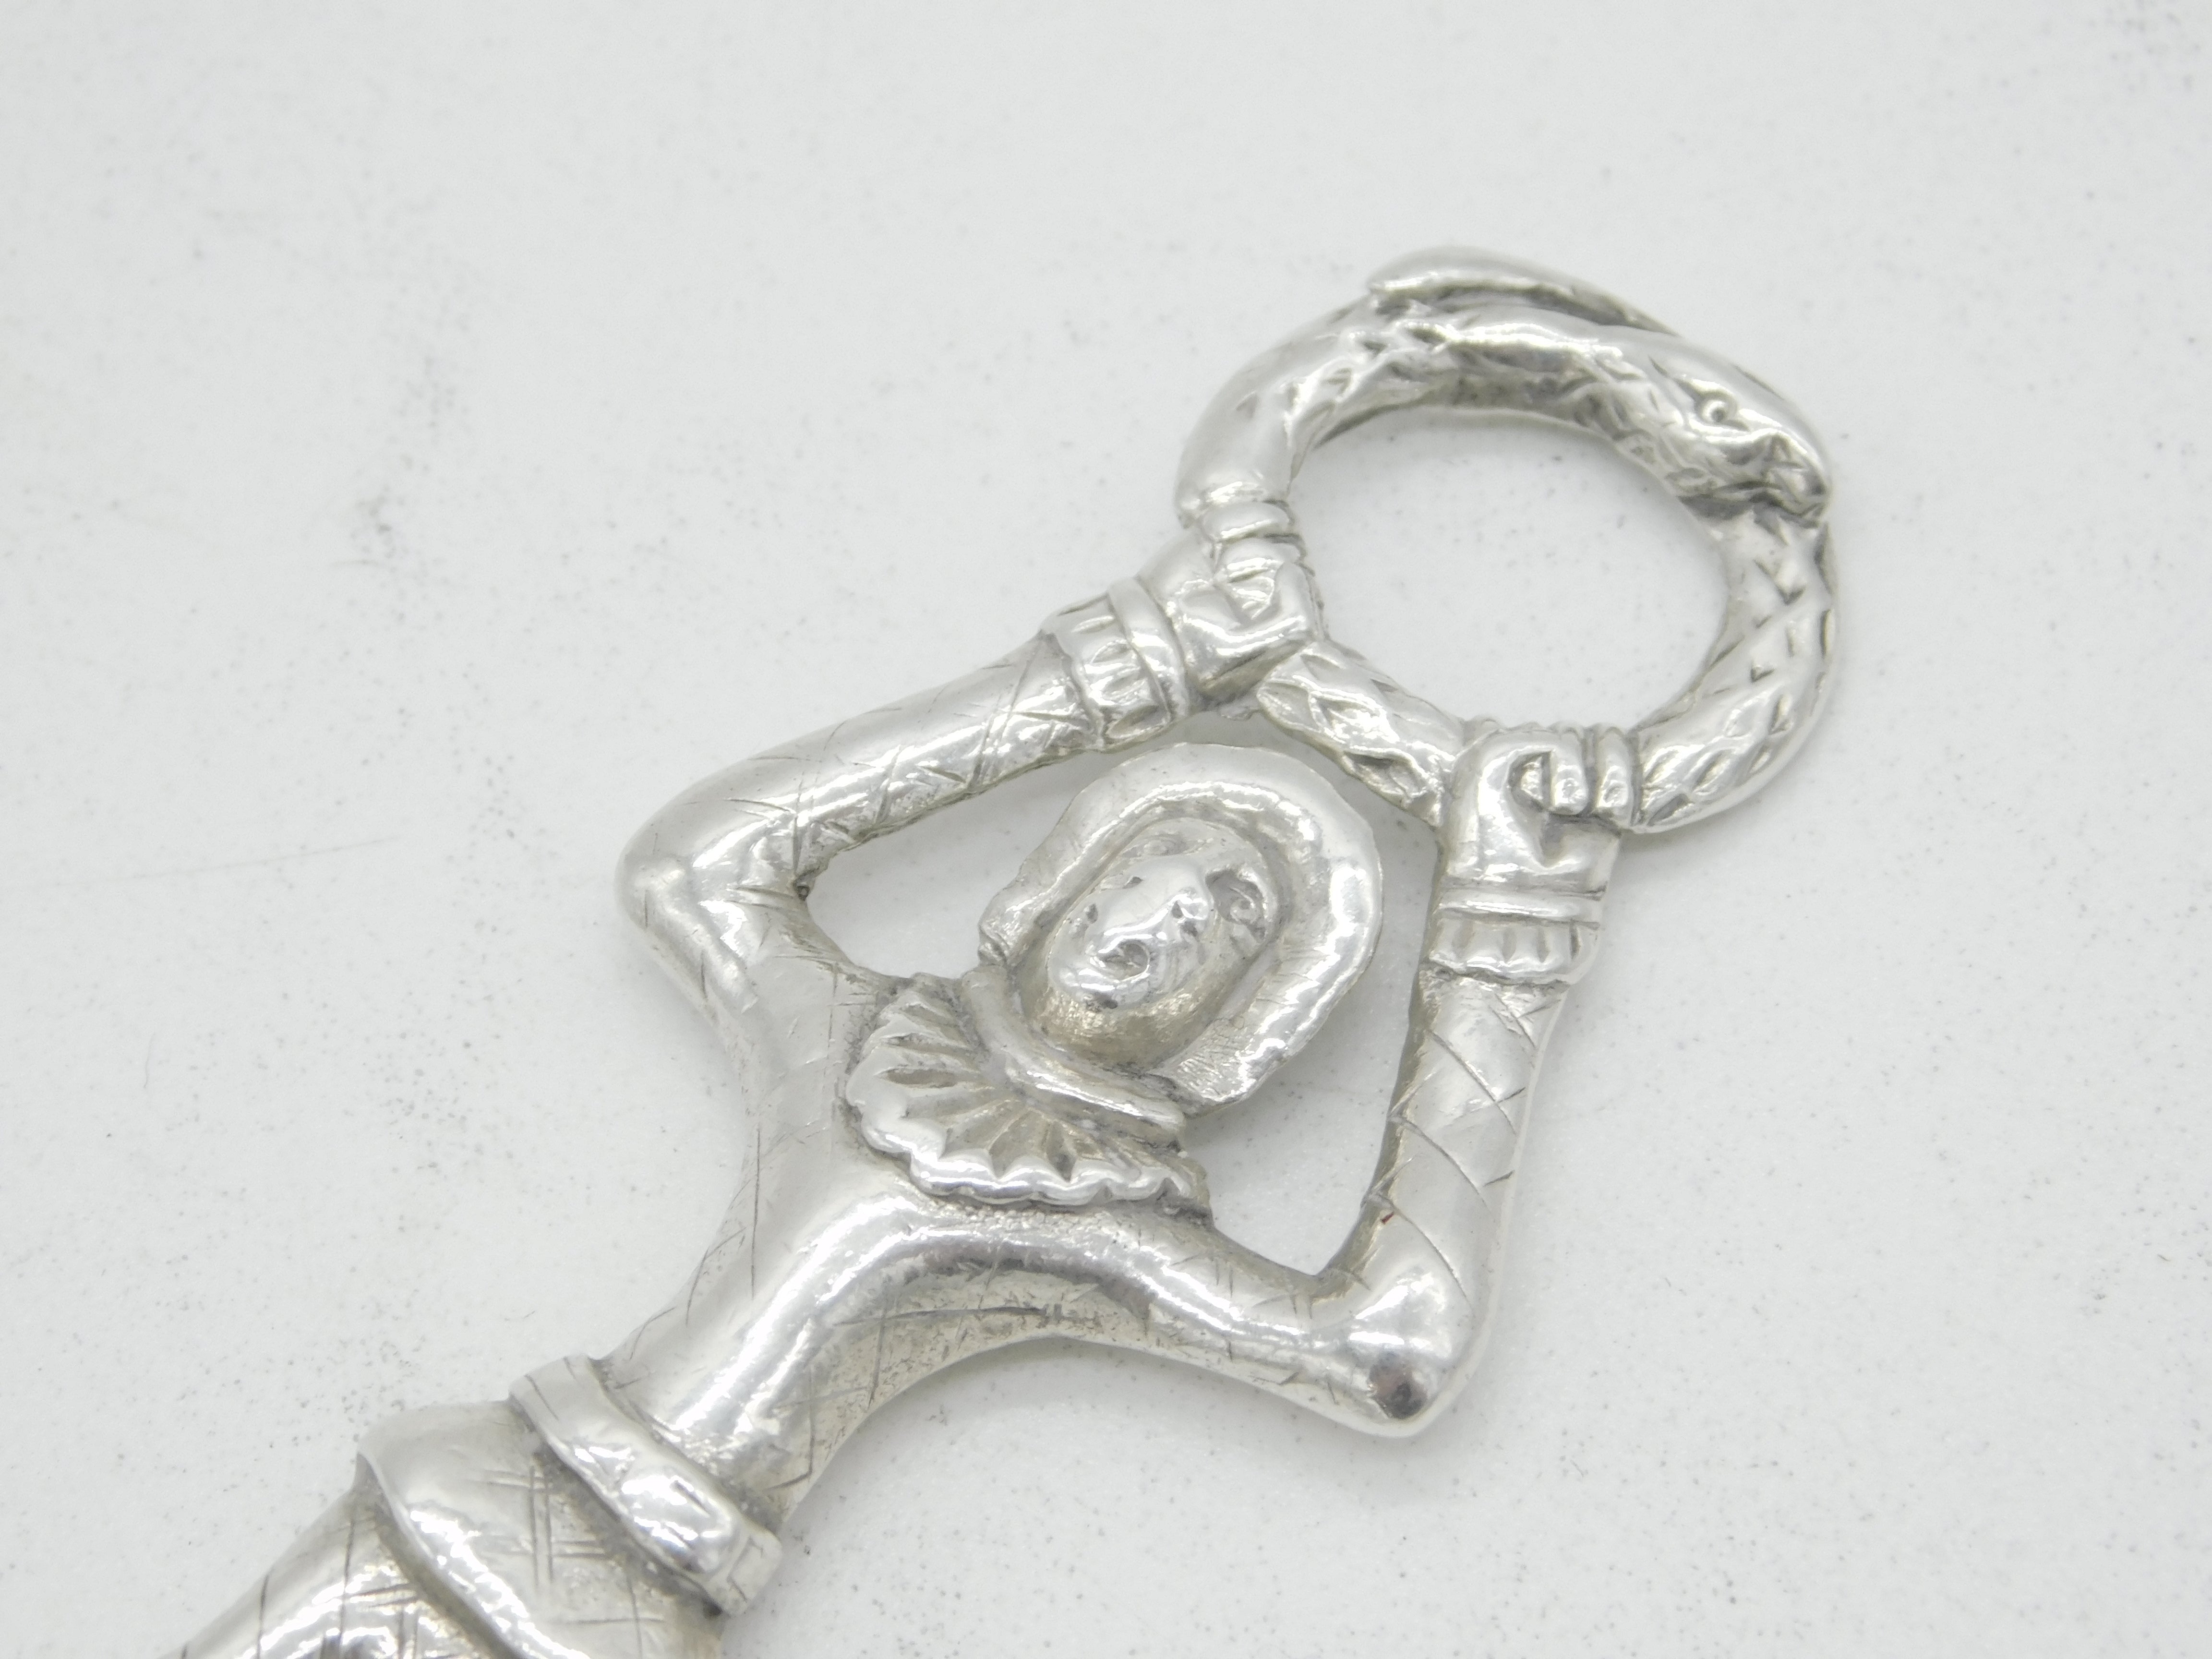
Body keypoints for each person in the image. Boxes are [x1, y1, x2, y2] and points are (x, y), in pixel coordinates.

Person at [173, 521, 1635, 1659]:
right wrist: (1120, 669)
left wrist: (1499, 953)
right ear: (1059, 881)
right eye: (1142, 873)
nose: (1150, 924)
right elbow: (692, 868)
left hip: (653, 1593)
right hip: (490, 1472)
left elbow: (1388, 1349)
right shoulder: (842, 1028)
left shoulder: (1106, 1226)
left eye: (1217, 925)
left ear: (1247, 1023)